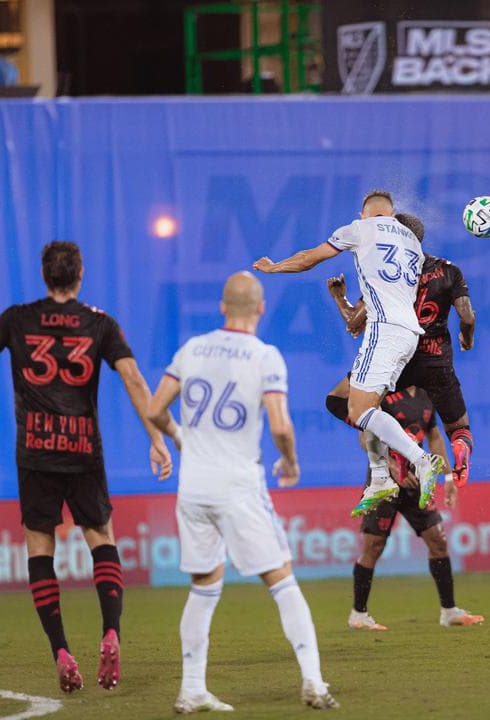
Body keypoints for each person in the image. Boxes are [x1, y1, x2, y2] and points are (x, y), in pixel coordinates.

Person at [0, 241, 178, 694]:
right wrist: (155, 438)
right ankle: (111, 632)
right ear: (79, 274)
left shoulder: (18, 319)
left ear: (45, 275)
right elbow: (134, 379)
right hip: (83, 451)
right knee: (101, 539)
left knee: (40, 550)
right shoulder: (99, 323)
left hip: (36, 452)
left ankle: (60, 649)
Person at [148, 271, 337, 713]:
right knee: (283, 580)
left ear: (220, 307)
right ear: (261, 309)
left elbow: (155, 408)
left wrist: (180, 438)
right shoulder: (264, 356)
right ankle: (313, 681)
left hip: (192, 487)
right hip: (237, 486)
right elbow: (280, 425)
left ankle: (192, 688)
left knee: (203, 585)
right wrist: (290, 461)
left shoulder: (192, 349)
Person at [253, 190, 445, 516]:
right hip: (408, 334)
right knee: (350, 399)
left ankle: (421, 461)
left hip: (383, 329)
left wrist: (274, 268)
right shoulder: (412, 242)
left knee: (358, 411)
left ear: (364, 213)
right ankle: (381, 478)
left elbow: (309, 257)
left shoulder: (360, 228)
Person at [325, 212, 477, 486]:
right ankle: (460, 455)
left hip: (397, 358)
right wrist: (467, 338)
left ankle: (397, 440)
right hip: (437, 361)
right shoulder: (448, 270)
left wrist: (339, 297)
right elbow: (467, 316)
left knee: (339, 400)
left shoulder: (389, 274)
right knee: (458, 428)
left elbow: (353, 323)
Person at [347, 385, 484, 631]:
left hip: (416, 480)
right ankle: (358, 614)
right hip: (385, 482)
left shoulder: (425, 394)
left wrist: (449, 477)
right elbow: (364, 436)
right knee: (373, 546)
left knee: (437, 540)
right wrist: (390, 466)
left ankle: (449, 611)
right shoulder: (383, 394)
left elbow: (433, 436)